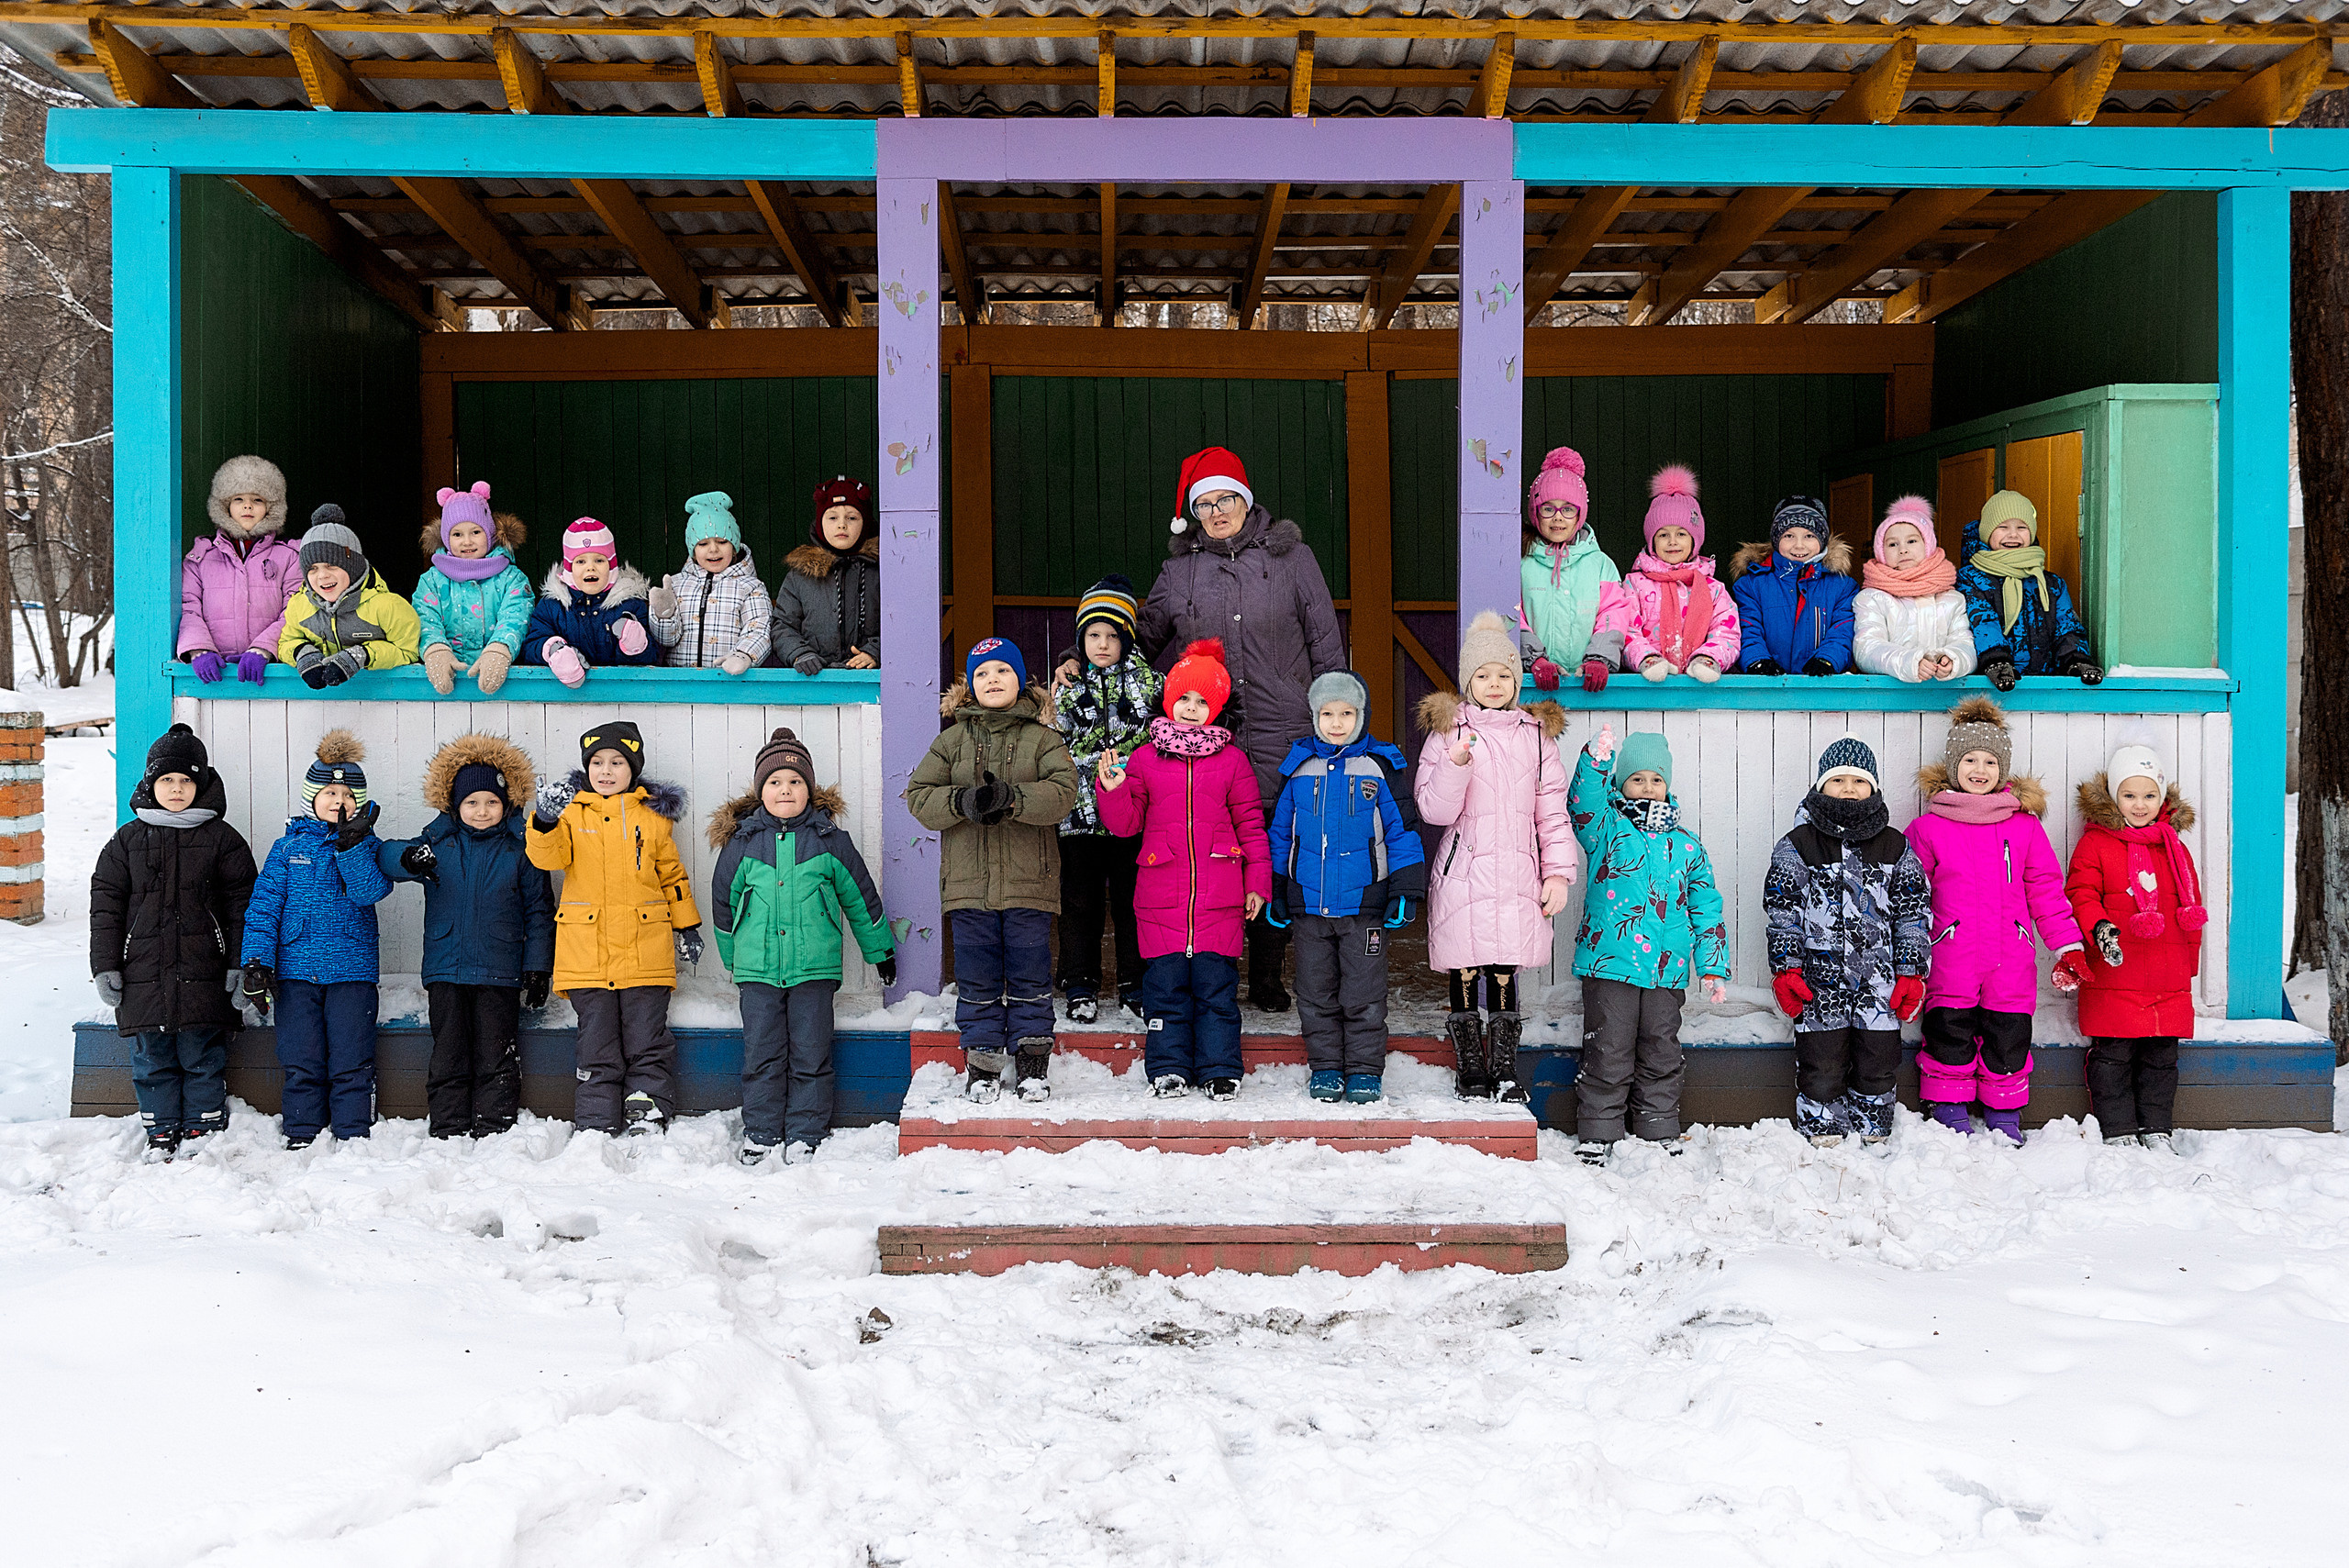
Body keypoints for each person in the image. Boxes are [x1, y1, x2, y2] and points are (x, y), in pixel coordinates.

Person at [1116, 446, 1346, 1014]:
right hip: (1205, 742)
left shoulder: (1294, 559)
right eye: (1205, 505)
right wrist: (1085, 657)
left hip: (1284, 731)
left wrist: (1334, 713)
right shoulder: (1180, 570)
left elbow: (1324, 640)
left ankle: (1267, 974)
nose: (1217, 512)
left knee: (1272, 851)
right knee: (1211, 857)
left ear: (1247, 501)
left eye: (1226, 500)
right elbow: (1143, 640)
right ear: (1194, 514)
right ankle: (1211, 974)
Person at [708, 727, 897, 1166]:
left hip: (814, 967)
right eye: (775, 782)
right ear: (761, 792)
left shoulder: (831, 840)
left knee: (812, 1052)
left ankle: (806, 1131)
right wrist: (734, 958)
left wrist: (880, 951)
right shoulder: (742, 842)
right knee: (762, 1054)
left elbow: (860, 897)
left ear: (809, 790)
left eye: (795, 782)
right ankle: (761, 1130)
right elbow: (723, 901)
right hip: (757, 971)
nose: (785, 790)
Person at [1906, 696, 2090, 1144]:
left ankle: (2004, 1108)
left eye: (1990, 761)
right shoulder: (1928, 829)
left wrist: (2068, 945)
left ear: (2002, 770)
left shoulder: (2023, 827)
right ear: (1953, 767)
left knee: (2007, 1032)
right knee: (1949, 1026)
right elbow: (1909, 897)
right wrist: (1908, 955)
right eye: (1970, 759)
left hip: (2011, 953)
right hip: (1951, 951)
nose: (1980, 769)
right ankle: (1947, 1101)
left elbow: (2045, 889)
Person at [906, 638, 1080, 1103]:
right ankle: (982, 1063)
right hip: (969, 886)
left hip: (1029, 884)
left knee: (1029, 976)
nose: (993, 680)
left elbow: (1064, 792)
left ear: (1020, 680)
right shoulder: (951, 741)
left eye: (1002, 671)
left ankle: (1032, 1062)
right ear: (970, 686)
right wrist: (961, 801)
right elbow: (919, 795)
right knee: (977, 977)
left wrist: (1015, 799)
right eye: (982, 674)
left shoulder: (1044, 739)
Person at [1096, 639, 1271, 1101]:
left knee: (1217, 993)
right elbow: (1125, 823)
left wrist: (1257, 883)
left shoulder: (1232, 761)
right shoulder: (1145, 759)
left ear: (1215, 708)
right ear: (1169, 700)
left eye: (1203, 701)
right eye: (1184, 699)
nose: (1192, 709)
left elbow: (1252, 825)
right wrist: (1112, 789)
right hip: (1161, 898)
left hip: (1221, 898)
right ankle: (1169, 1067)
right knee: (1166, 993)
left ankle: (1220, 1069)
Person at [1415, 611, 1575, 1102]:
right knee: (1465, 968)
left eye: (1504, 674)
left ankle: (1504, 1070)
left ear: (1517, 680)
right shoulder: (1449, 732)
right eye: (1482, 675)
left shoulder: (1535, 734)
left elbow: (1552, 812)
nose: (1494, 683)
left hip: (1518, 874)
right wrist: (1455, 765)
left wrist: (1559, 875)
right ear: (1467, 680)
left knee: (1504, 970)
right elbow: (1433, 808)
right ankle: (1471, 1070)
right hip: (1464, 871)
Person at [89, 724, 258, 1160]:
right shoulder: (127, 841)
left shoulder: (223, 840)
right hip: (143, 973)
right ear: (151, 783)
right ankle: (160, 1127)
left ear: (200, 785)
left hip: (205, 973)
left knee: (202, 1054)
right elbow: (105, 905)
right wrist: (105, 964)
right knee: (152, 1056)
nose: (177, 789)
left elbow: (245, 906)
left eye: (186, 780)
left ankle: (203, 1126)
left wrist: (241, 965)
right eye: (167, 780)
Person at [526, 721, 703, 1136]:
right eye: (597, 762)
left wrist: (686, 927)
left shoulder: (653, 818)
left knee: (646, 1038)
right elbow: (548, 859)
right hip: (587, 950)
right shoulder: (570, 814)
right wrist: (545, 821)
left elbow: (672, 874)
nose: (605, 771)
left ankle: (648, 1109)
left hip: (645, 949)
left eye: (617, 762)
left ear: (633, 769)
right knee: (597, 1043)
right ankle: (596, 1118)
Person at [376, 733, 553, 1139]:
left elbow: (540, 912)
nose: (481, 810)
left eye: (491, 802)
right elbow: (388, 856)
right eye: (471, 802)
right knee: (449, 1051)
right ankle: (449, 1125)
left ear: (506, 803)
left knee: (496, 1052)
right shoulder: (438, 842)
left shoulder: (522, 849)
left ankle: (494, 1125)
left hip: (499, 967)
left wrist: (538, 967)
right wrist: (407, 858)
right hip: (447, 967)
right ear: (455, 805)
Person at [1566, 726, 1729, 1160]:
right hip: (1610, 963)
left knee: (1661, 1047)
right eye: (1637, 778)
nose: (1648, 787)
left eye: (1656, 779)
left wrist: (1712, 966)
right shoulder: (1607, 828)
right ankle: (1600, 1129)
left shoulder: (1687, 845)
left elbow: (1706, 908)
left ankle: (1658, 1125)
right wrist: (1595, 762)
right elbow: (1583, 803)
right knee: (1609, 1046)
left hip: (1666, 969)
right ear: (1621, 783)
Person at [1763, 736, 1932, 1147]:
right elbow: (1783, 909)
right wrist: (1787, 968)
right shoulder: (1799, 844)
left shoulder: (1895, 845)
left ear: (1874, 789)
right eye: (1839, 780)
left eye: (1859, 781)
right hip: (1819, 979)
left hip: (1879, 978)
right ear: (1821, 787)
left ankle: (1873, 1123)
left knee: (1879, 1056)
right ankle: (1822, 1125)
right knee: (1821, 1057)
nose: (1849, 789)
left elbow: (1913, 910)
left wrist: (1910, 971)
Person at [1266, 671, 1424, 1105]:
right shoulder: (1298, 767)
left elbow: (1403, 833)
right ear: (1315, 717)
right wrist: (1278, 890)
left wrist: (1404, 892)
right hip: (1309, 906)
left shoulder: (1381, 766)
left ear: (1361, 715)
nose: (1337, 722)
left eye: (1347, 713)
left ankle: (1364, 1070)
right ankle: (1327, 1069)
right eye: (1328, 713)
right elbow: (1280, 835)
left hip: (1364, 905)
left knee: (1364, 995)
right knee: (1315, 992)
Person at [239, 730, 395, 1148]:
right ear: (312, 797)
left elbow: (370, 892)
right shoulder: (286, 849)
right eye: (329, 791)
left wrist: (351, 849)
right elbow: (264, 906)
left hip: (351, 969)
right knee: (301, 1056)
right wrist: (256, 961)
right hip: (296, 970)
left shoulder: (367, 845)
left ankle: (351, 1131)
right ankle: (302, 1131)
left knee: (351, 1055)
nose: (338, 801)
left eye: (347, 794)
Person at [2065, 741, 2208, 1153]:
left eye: (2149, 795)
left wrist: (2189, 961)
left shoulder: (2173, 847)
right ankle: (2119, 1127)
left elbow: (2190, 904)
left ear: (2162, 798)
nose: (2140, 805)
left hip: (2167, 974)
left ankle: (2157, 1127)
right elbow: (2081, 892)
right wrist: (2099, 927)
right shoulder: (2096, 844)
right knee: (2113, 1056)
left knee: (2162, 1058)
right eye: (2129, 795)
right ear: (2113, 796)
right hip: (2118, 968)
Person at [1052, 573, 1161, 1024]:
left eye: (1111, 635)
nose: (1101, 643)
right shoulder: (1067, 687)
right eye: (1092, 635)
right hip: (1079, 817)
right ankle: (1080, 982)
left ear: (1126, 638)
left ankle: (1135, 981)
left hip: (1132, 814)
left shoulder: (1151, 684)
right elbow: (1052, 740)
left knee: (1133, 899)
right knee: (1080, 901)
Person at [1586, 464, 1741, 684]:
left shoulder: (1713, 589)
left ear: (1695, 541)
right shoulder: (1634, 584)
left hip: (1698, 690)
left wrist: (1708, 658)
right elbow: (1626, 629)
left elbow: (1727, 631)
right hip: (1647, 688)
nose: (1673, 542)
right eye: (1663, 535)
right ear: (1652, 541)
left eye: (1681, 534)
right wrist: (1647, 659)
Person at [1955, 490, 2102, 689]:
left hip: (2042, 688)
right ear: (1987, 532)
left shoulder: (2051, 583)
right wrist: (1996, 661)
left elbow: (2066, 626)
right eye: (2003, 527)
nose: (2013, 534)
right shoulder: (1971, 579)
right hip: (1989, 688)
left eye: (2022, 527)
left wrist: (2076, 660)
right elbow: (1982, 621)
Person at [180, 454, 300, 684]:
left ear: (271, 507)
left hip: (272, 673)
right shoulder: (200, 558)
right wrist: (199, 649)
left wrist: (263, 649)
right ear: (224, 505)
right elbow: (188, 608)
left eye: (257, 499)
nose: (247, 505)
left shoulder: (289, 557)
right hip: (217, 676)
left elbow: (295, 610)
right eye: (238, 499)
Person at [412, 482, 533, 696]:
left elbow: (516, 617)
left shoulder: (511, 578)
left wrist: (500, 650)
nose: (467, 541)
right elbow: (424, 618)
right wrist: (435, 651)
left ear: (490, 533)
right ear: (446, 538)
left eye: (475, 532)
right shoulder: (431, 581)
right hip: (450, 685)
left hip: (506, 686)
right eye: (457, 534)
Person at [277, 506, 422, 686]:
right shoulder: (300, 605)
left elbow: (408, 651)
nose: (322, 575)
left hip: (381, 698)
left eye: (331, 565)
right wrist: (303, 653)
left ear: (352, 566)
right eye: (313, 569)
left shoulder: (389, 606)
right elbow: (286, 642)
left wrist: (363, 655)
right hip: (323, 705)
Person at [1517, 445, 1620, 692]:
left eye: (1568, 509)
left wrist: (1599, 659)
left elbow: (1613, 613)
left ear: (1579, 514)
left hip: (1587, 686)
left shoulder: (1600, 565)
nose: (1558, 518)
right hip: (1531, 685)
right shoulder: (1520, 562)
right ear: (1536, 512)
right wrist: (1534, 659)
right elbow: (1510, 615)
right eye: (1548, 508)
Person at [1852, 494, 1977, 683]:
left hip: (1943, 700)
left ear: (1928, 545)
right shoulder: (1872, 598)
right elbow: (1867, 648)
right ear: (1880, 551)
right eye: (1892, 544)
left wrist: (1954, 659)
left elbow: (1965, 642)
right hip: (1888, 704)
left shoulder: (1952, 598)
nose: (1903, 549)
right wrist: (1909, 662)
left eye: (1912, 541)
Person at [1730, 495, 1858, 676]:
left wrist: (1828, 659)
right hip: (1766, 688)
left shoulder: (1842, 586)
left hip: (1821, 689)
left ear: (1822, 540)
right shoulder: (1751, 585)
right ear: (1776, 539)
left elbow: (1843, 629)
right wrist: (1756, 659)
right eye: (1789, 536)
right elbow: (1748, 627)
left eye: (1809, 536)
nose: (1799, 545)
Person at [522, 517, 659, 688]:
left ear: (611, 566)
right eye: (580, 561)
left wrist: (635, 644)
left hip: (620, 694)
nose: (590, 567)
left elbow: (653, 657)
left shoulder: (630, 605)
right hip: (565, 699)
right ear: (569, 568)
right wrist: (553, 650)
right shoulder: (552, 606)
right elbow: (531, 646)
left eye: (599, 560)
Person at [651, 490, 771, 674]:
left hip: (730, 682)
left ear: (734, 545)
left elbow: (759, 629)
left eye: (722, 541)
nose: (713, 550)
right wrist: (663, 616)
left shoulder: (751, 587)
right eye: (703, 544)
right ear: (692, 549)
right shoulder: (675, 584)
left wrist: (743, 655)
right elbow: (667, 640)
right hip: (679, 683)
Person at [774, 476, 880, 674]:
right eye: (832, 518)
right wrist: (800, 653)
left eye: (852, 518)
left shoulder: (883, 571)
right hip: (814, 682)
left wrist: (875, 651)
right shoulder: (801, 575)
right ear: (820, 523)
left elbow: (902, 622)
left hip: (871, 683)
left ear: (865, 523)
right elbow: (782, 625)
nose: (842, 525)